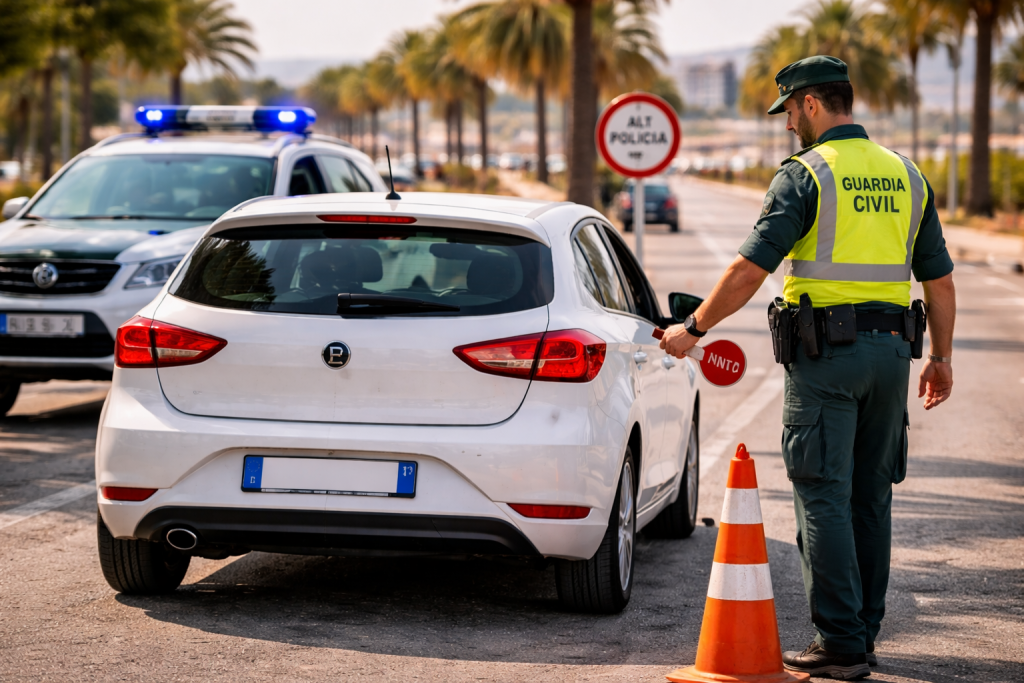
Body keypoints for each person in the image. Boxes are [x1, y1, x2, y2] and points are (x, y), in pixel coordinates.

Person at [659, 55, 956, 680]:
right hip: (891, 359)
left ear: (813, 104)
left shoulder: (806, 176)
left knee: (822, 493)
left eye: (791, 109)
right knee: (871, 498)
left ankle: (842, 642)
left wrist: (693, 329)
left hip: (827, 361)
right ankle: (863, 633)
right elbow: (939, 277)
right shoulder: (908, 175)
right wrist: (942, 358)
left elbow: (748, 270)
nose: (789, 122)